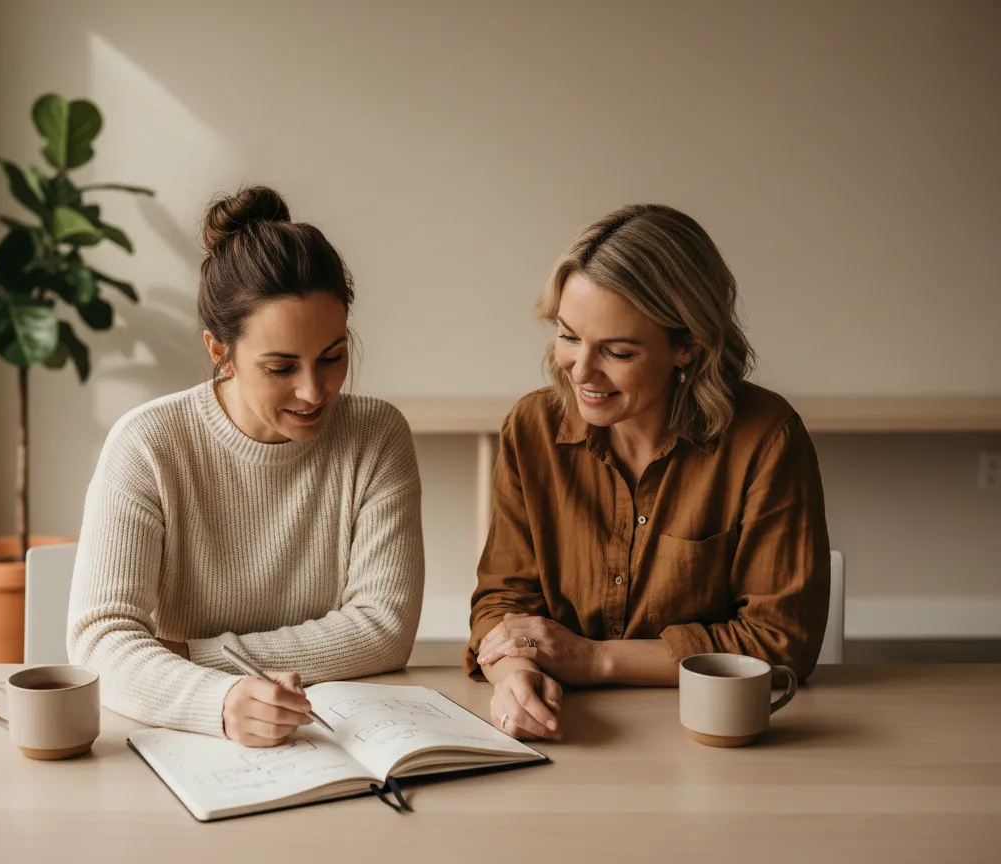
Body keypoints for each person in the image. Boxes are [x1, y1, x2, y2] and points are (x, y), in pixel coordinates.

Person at [68, 185, 425, 747]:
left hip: (334, 734)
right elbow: (99, 641)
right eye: (281, 367)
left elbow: (384, 630)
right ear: (220, 352)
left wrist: (195, 656)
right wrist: (223, 700)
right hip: (186, 740)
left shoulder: (375, 437)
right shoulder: (148, 445)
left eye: (333, 356)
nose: (314, 391)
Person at [468, 204, 830, 741]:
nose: (581, 372)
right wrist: (516, 675)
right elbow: (503, 603)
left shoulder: (766, 438)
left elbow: (780, 643)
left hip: (714, 736)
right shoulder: (531, 428)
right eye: (568, 337)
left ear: (688, 346)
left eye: (616, 351)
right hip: (564, 731)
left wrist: (594, 660)